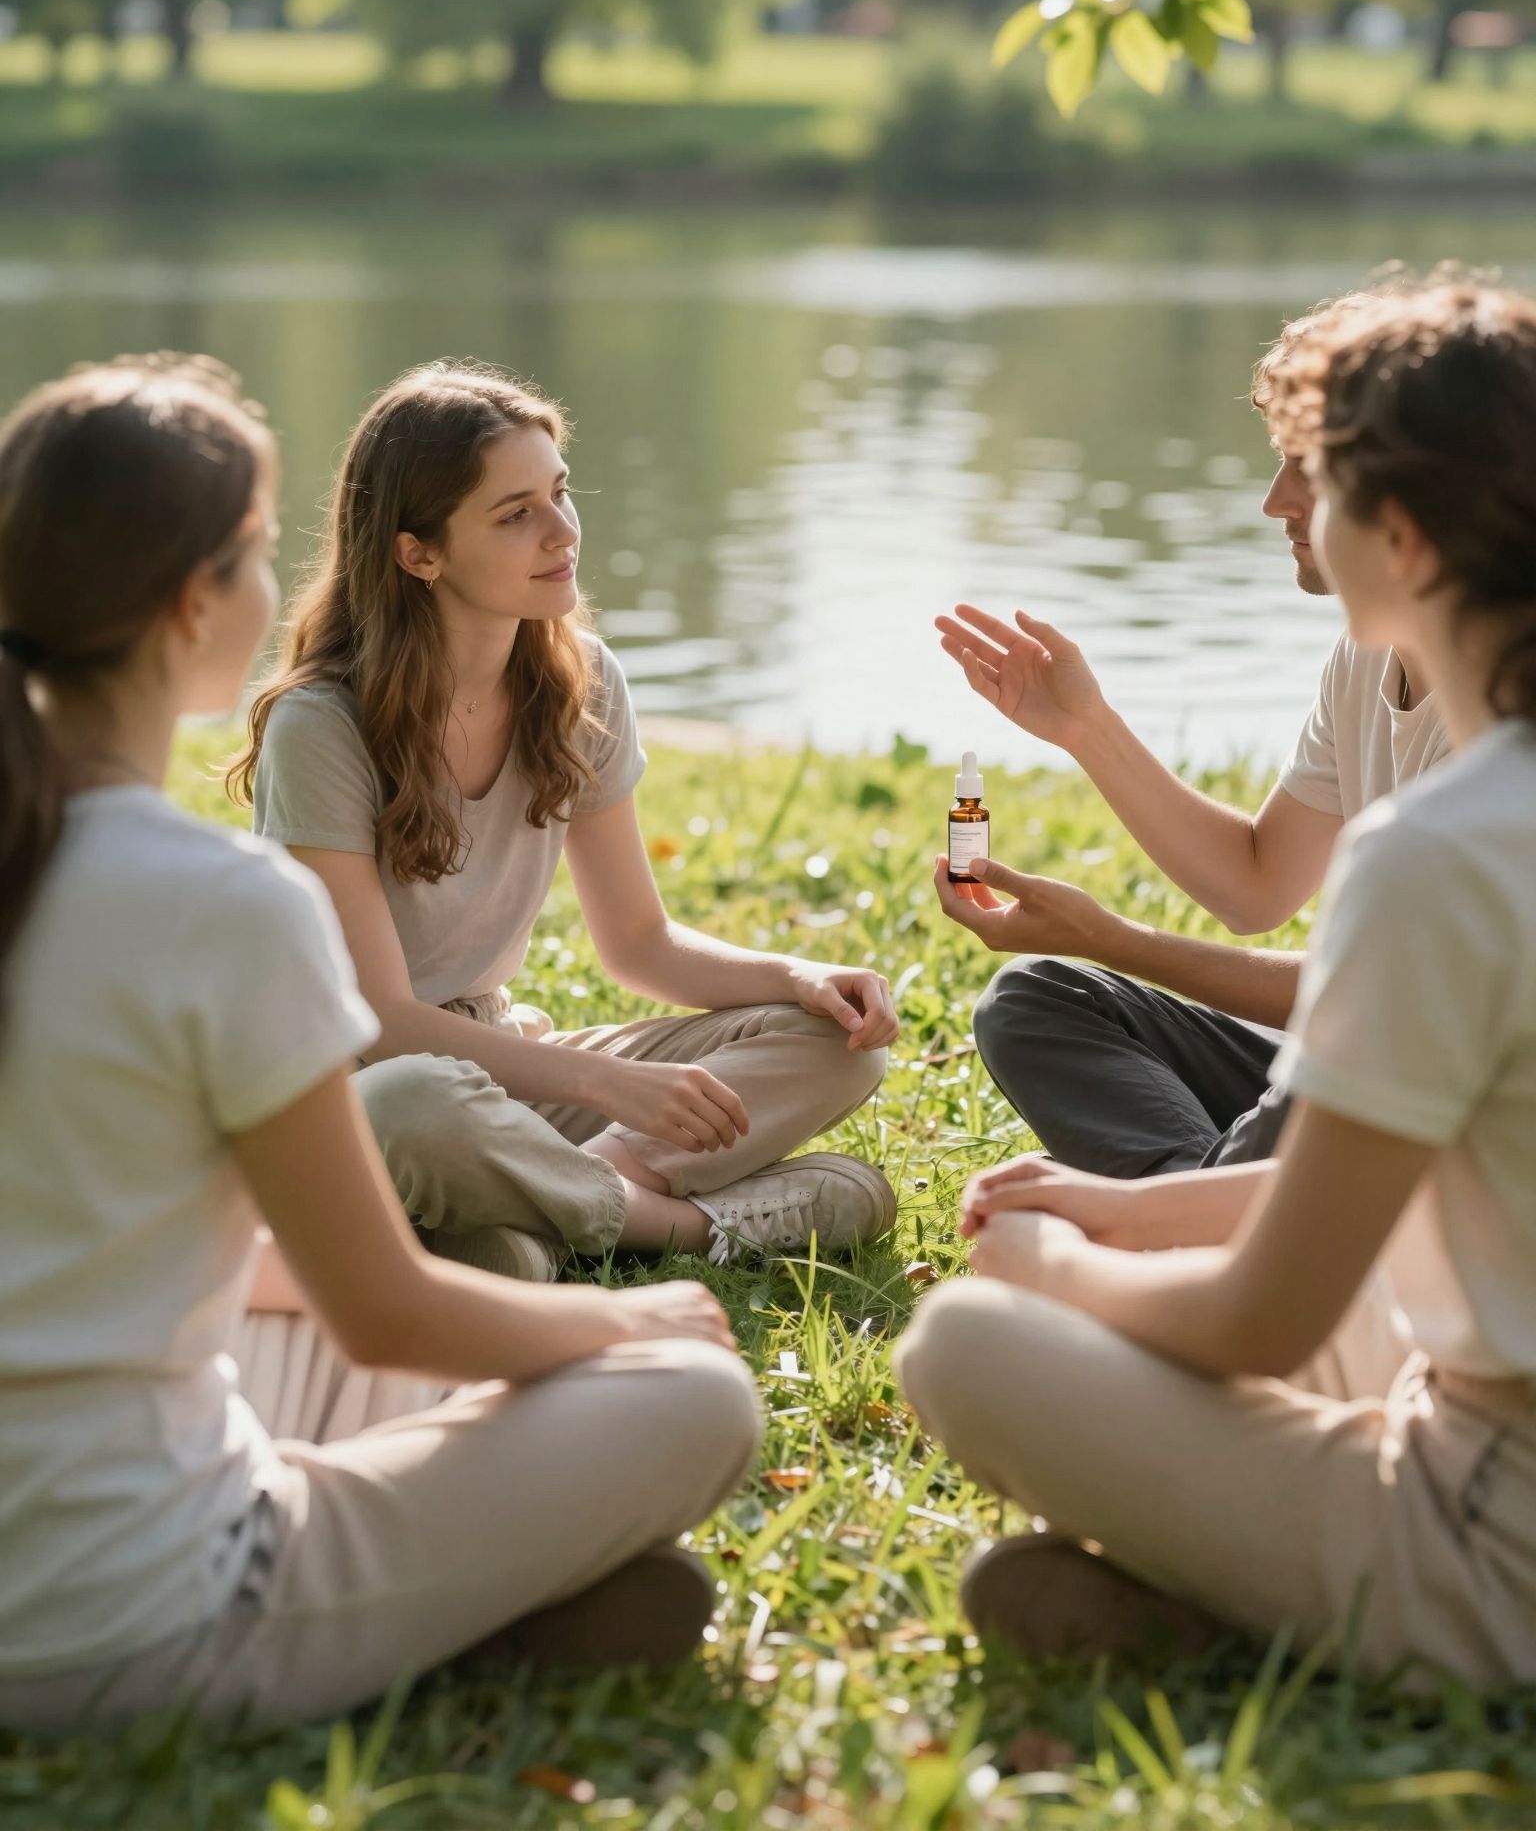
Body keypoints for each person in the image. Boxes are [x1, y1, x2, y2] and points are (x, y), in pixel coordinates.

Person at [0, 357, 763, 1737]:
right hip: (132, 1616)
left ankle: (481, 1587)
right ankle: (469, 1606)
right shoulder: (226, 906)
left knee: (408, 1333)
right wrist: (630, 1316)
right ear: (194, 605)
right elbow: (386, 1306)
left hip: (115, 1452)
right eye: (252, 553)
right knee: (691, 1396)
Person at [899, 277, 1536, 1689]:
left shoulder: (1447, 855)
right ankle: (1238, 1590)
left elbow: (1265, 1316)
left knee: (968, 1345)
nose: (1272, 511)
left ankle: (1330, 1615)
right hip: (1463, 1342)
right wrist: (1128, 1206)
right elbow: (1451, 1187)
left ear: (1409, 534)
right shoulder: (1441, 791)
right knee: (1063, 1064)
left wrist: (1068, 1257)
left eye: (1314, 480)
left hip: (1501, 1534)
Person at [231, 362, 896, 1285]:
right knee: (419, 1106)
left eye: (560, 494)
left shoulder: (582, 681)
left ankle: (541, 1218)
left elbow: (639, 943)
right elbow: (378, 1024)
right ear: (416, 551)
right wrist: (603, 1082)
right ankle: (687, 1228)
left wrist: (799, 975)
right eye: (515, 515)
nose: (562, 533)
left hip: (508, 1074)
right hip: (360, 1088)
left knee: (838, 1041)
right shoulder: (323, 725)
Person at [933, 289, 1450, 1180]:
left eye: (1304, 469)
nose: (1272, 501)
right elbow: (1255, 885)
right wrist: (1086, 728)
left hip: (1454, 1092)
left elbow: (1388, 1004)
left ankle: (1196, 1215)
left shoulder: (1502, 696)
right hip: (1373, 1052)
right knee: (1041, 999)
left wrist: (1114, 937)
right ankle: (1202, 1205)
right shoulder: (1365, 657)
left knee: (1344, 1057)